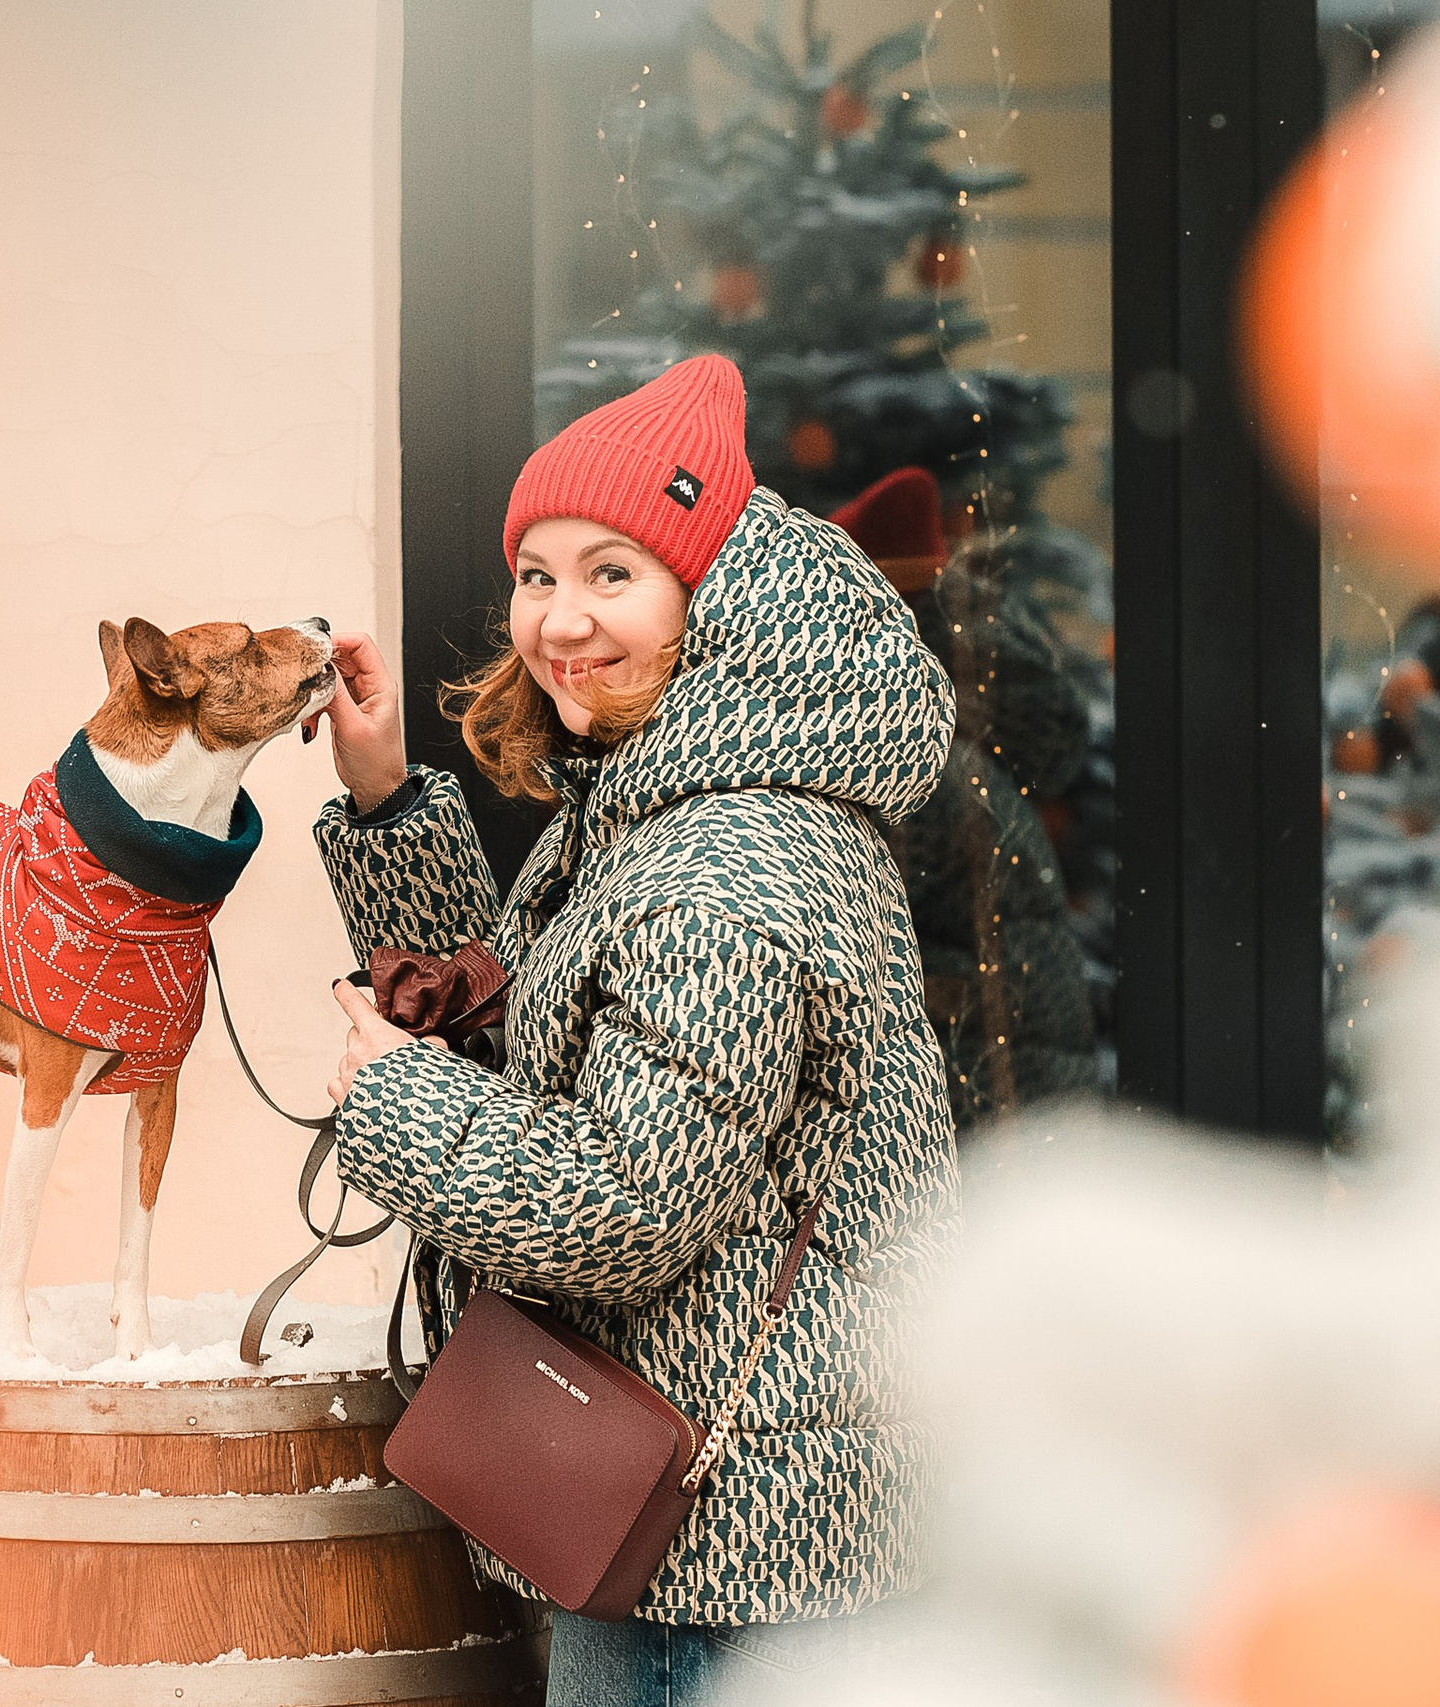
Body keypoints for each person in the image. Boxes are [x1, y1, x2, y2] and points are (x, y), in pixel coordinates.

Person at [306, 354, 962, 1704]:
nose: (559, 618)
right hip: (747, 1514)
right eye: (537, 574)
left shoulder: (720, 863)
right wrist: (384, 807)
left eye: (612, 573)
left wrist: (392, 1107)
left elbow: (621, 1200)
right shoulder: (679, 803)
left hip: (718, 1560)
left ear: (704, 596)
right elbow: (549, 1037)